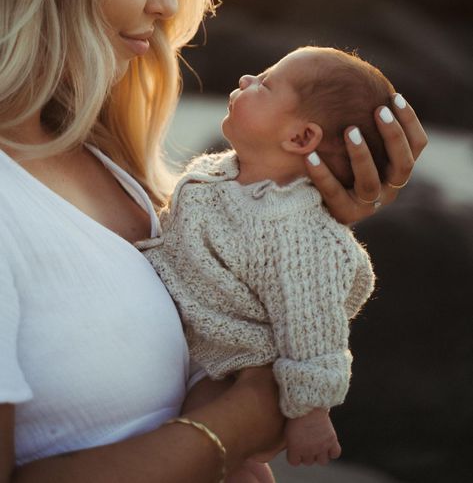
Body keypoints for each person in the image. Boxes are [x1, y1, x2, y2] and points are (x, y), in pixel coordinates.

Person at [0, 0, 428, 481]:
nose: (171, 5)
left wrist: (311, 209)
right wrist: (235, 426)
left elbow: (235, 286)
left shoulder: (99, 150)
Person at [141, 46, 399, 469]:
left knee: (201, 431)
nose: (245, 80)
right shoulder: (225, 169)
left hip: (237, 354)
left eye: (265, 83)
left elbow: (314, 324)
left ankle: (239, 463)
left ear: (300, 137)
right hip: (196, 331)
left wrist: (311, 413)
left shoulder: (297, 232)